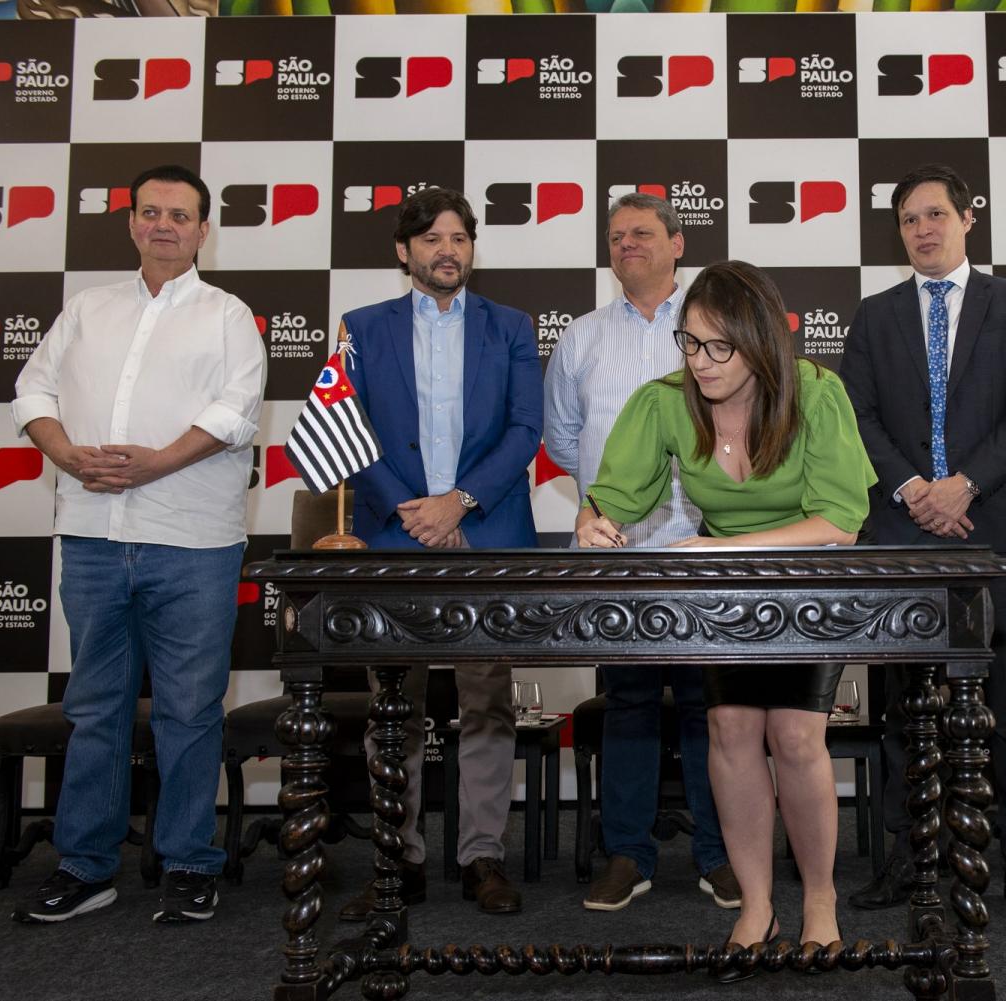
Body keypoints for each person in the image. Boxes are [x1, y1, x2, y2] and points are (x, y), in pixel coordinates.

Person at [576, 260, 874, 975]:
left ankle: (821, 901)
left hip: (808, 587)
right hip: (725, 595)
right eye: (690, 343)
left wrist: (721, 547)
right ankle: (756, 905)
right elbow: (615, 496)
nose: (700, 362)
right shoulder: (664, 402)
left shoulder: (816, 393)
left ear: (760, 341)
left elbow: (840, 522)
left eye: (719, 347)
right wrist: (592, 518)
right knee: (731, 730)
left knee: (796, 736)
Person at [11, 164, 267, 924]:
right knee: (95, 707)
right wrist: (65, 453)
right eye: (150, 212)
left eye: (180, 215)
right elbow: (32, 391)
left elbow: (236, 412)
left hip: (193, 541)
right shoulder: (87, 309)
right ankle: (86, 865)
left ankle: (189, 862)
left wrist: (156, 462)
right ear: (130, 223)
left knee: (190, 708)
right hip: (93, 536)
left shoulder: (228, 316)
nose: (164, 225)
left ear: (203, 230)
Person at [838, 163, 1006, 920]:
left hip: (995, 531)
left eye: (935, 214)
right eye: (908, 219)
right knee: (907, 706)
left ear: (968, 218)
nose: (922, 229)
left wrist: (965, 485)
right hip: (904, 532)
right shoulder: (875, 315)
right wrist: (914, 489)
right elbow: (857, 416)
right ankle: (911, 855)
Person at [337, 187, 542, 919]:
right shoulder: (361, 327)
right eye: (431, 239)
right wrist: (414, 510)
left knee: (487, 699)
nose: (447, 250)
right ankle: (398, 859)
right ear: (404, 251)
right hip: (395, 535)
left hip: (485, 534)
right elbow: (349, 426)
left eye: (459, 237)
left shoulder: (510, 326)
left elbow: (525, 429)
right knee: (394, 704)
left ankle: (482, 855)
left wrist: (459, 503)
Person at [544, 194, 739, 912]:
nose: (627, 243)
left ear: (678, 242)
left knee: (709, 707)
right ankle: (628, 854)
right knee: (628, 702)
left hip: (703, 543)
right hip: (617, 552)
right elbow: (563, 439)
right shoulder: (582, 337)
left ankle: (722, 854)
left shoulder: (715, 328)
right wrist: (610, 500)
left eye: (643, 232)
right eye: (616, 234)